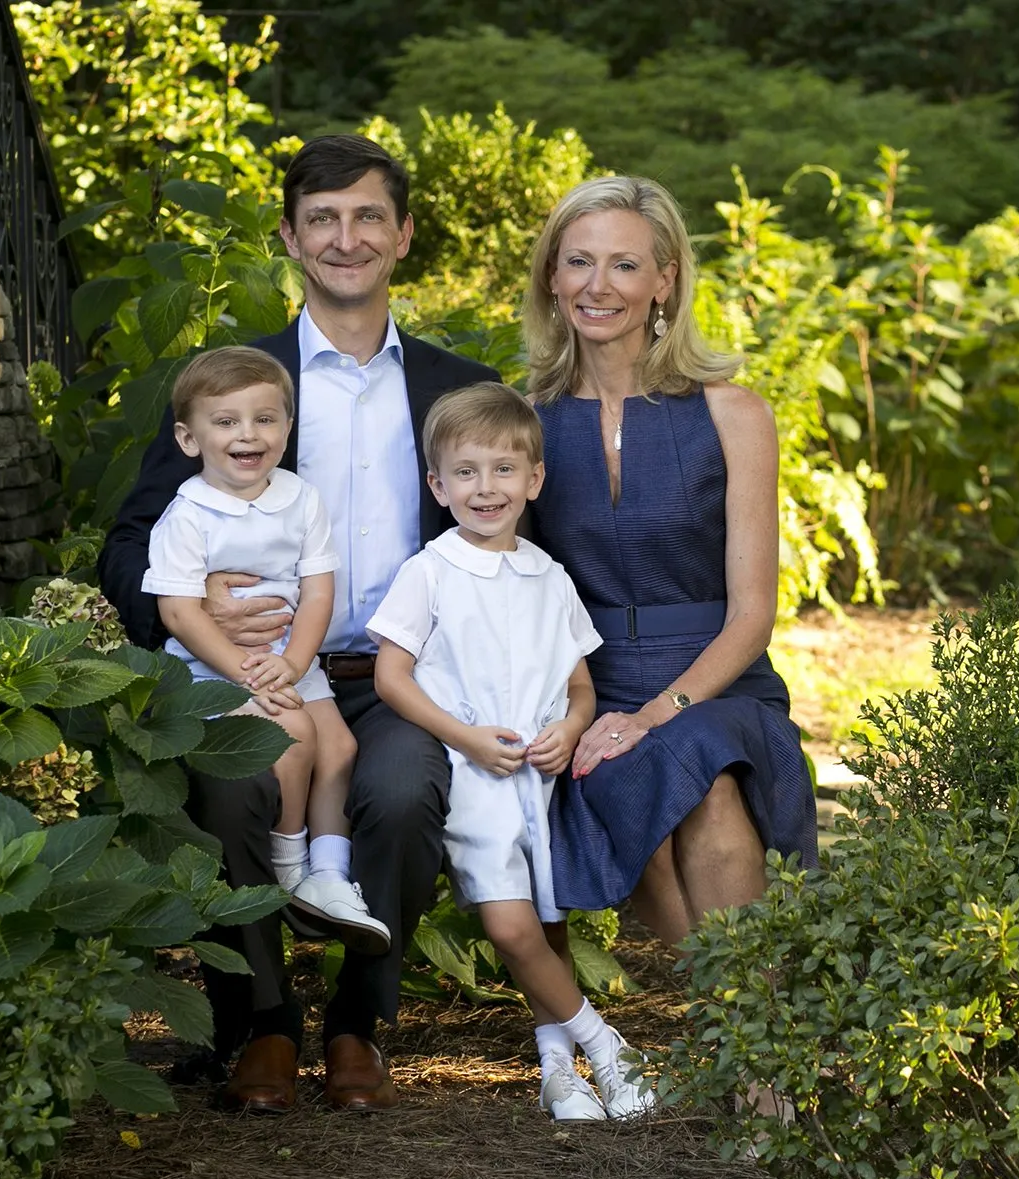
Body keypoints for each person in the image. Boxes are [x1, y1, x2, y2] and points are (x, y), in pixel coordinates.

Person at [98, 134, 499, 1114]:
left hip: (402, 681)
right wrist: (196, 613)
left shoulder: (459, 387)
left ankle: (361, 1021)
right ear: (289, 236)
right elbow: (128, 544)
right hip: (253, 673)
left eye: (368, 216)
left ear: (402, 235)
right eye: (322, 218)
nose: (345, 238)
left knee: (403, 796)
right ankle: (261, 1025)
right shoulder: (235, 383)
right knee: (233, 793)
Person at [523, 175, 818, 978]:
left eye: (624, 265)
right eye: (578, 261)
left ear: (665, 281)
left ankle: (756, 1046)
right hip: (591, 683)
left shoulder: (734, 414)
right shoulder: (524, 424)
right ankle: (753, 1029)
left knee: (705, 776)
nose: (597, 285)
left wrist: (655, 713)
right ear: (552, 276)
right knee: (633, 796)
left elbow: (754, 612)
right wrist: (586, 711)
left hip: (718, 679)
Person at [369, 383, 653, 1122]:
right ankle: (608, 1046)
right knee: (509, 926)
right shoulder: (429, 571)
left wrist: (571, 726)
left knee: (548, 925)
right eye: (465, 472)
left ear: (534, 479)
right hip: (476, 772)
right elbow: (390, 676)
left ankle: (558, 1070)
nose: (485, 488)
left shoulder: (548, 575)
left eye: (503, 471)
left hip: (542, 776)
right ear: (437, 485)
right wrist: (463, 737)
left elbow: (580, 685)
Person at [141, 345, 389, 954]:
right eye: (225, 422)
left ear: (286, 426)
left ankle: (329, 874)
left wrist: (294, 665)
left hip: (287, 658)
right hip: (214, 665)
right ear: (189, 437)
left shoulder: (300, 499)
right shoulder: (188, 514)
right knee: (294, 736)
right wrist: (250, 676)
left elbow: (318, 593)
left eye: (264, 418)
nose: (247, 435)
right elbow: (177, 611)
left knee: (340, 745)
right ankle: (289, 865)